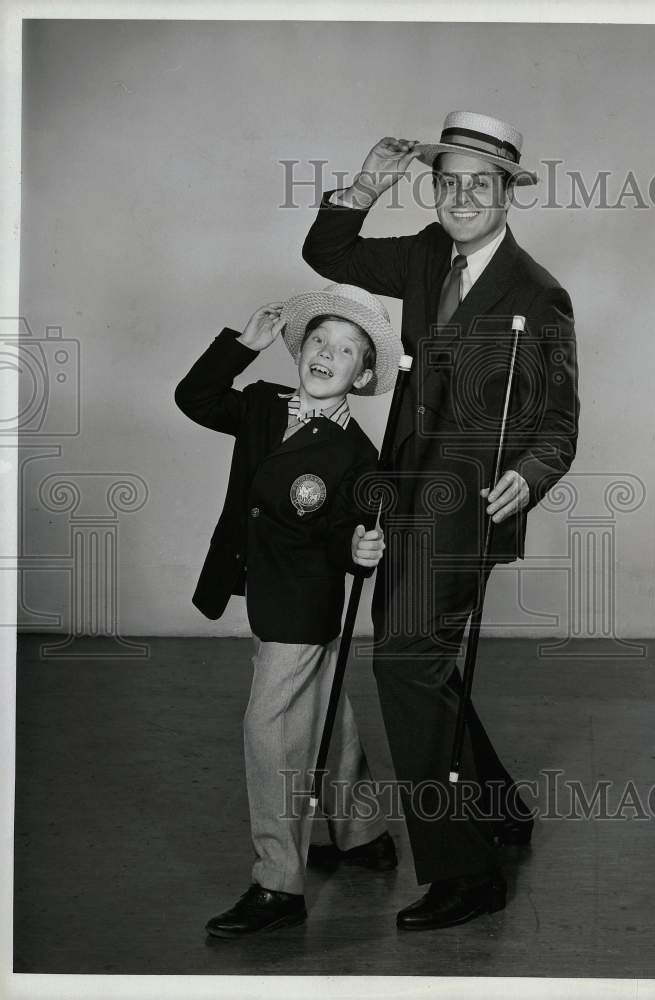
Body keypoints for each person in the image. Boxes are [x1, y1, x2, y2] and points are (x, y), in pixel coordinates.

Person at [302, 110, 580, 930]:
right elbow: (330, 254)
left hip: (468, 509)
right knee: (424, 664)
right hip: (401, 493)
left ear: (506, 194)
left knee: (405, 665)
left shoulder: (539, 293)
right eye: (447, 182)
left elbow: (558, 421)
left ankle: (469, 874)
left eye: (478, 184)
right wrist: (363, 186)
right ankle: (498, 806)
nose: (462, 197)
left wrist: (527, 477)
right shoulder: (426, 252)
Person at [174, 283, 405, 938]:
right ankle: (363, 833)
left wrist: (360, 548)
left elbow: (343, 537)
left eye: (346, 349)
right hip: (260, 584)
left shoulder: (357, 457)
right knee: (328, 709)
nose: (327, 354)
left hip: (302, 602)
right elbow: (194, 399)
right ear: (300, 349)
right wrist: (240, 348)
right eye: (319, 341)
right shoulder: (261, 406)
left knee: (271, 731)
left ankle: (279, 882)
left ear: (363, 375)